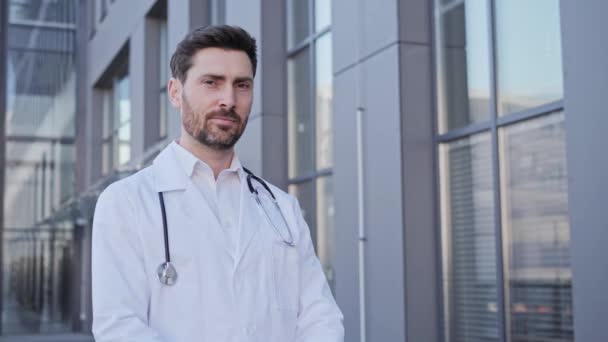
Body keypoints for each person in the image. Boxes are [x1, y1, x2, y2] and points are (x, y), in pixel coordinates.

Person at [91, 25, 344, 341]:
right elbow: (119, 327)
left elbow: (320, 315)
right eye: (211, 82)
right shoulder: (125, 202)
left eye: (242, 85)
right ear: (175, 92)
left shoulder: (281, 207)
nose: (229, 99)